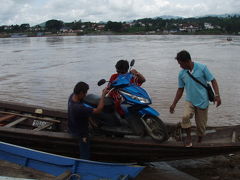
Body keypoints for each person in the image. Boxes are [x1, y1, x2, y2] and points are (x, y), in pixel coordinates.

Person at [169, 50, 221, 147]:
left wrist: (217, 95)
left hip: (203, 101)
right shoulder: (182, 74)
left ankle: (200, 139)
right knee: (185, 117)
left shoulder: (202, 68)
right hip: (190, 101)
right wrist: (173, 104)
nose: (180, 66)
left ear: (187, 61)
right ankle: (189, 137)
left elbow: (213, 81)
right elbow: (180, 89)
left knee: (201, 126)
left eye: (180, 64)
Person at [68, 81, 107, 159]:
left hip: (72, 126)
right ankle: (84, 163)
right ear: (81, 93)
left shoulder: (72, 96)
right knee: (85, 150)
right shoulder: (78, 108)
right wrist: (103, 95)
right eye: (85, 93)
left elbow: (85, 112)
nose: (85, 95)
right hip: (80, 133)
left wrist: (92, 123)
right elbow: (98, 110)